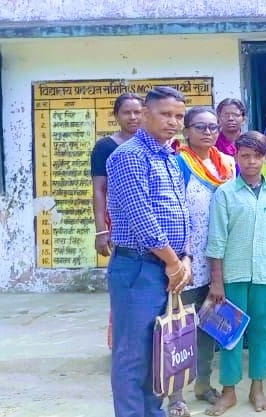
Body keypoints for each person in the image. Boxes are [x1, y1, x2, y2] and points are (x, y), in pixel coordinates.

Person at [104, 86, 192, 417]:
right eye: (165, 114)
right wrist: (173, 262)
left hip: (168, 267)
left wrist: (185, 258)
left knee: (159, 351)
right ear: (145, 113)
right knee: (132, 355)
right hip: (139, 268)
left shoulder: (169, 156)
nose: (173, 122)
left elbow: (181, 211)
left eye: (179, 116)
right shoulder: (129, 156)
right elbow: (141, 216)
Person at [204, 131, 266, 416]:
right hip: (233, 275)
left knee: (262, 333)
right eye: (245, 156)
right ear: (236, 157)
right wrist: (217, 281)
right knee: (230, 334)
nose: (251, 162)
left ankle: (257, 389)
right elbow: (216, 239)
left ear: (264, 158)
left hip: (265, 274)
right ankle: (229, 392)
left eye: (257, 156)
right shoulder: (225, 193)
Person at [168, 106, 234, 416]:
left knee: (209, 327)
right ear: (186, 131)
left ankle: (204, 384)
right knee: (179, 330)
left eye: (212, 127)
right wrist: (180, 257)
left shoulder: (227, 164)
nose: (208, 132)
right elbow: (172, 213)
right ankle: (175, 395)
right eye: (200, 127)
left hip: (219, 262)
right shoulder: (177, 163)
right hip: (187, 261)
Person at [92, 92, 144, 258]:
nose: (133, 117)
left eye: (137, 112)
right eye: (126, 112)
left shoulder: (157, 145)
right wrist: (101, 231)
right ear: (116, 116)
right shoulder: (105, 147)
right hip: (120, 221)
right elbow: (99, 190)